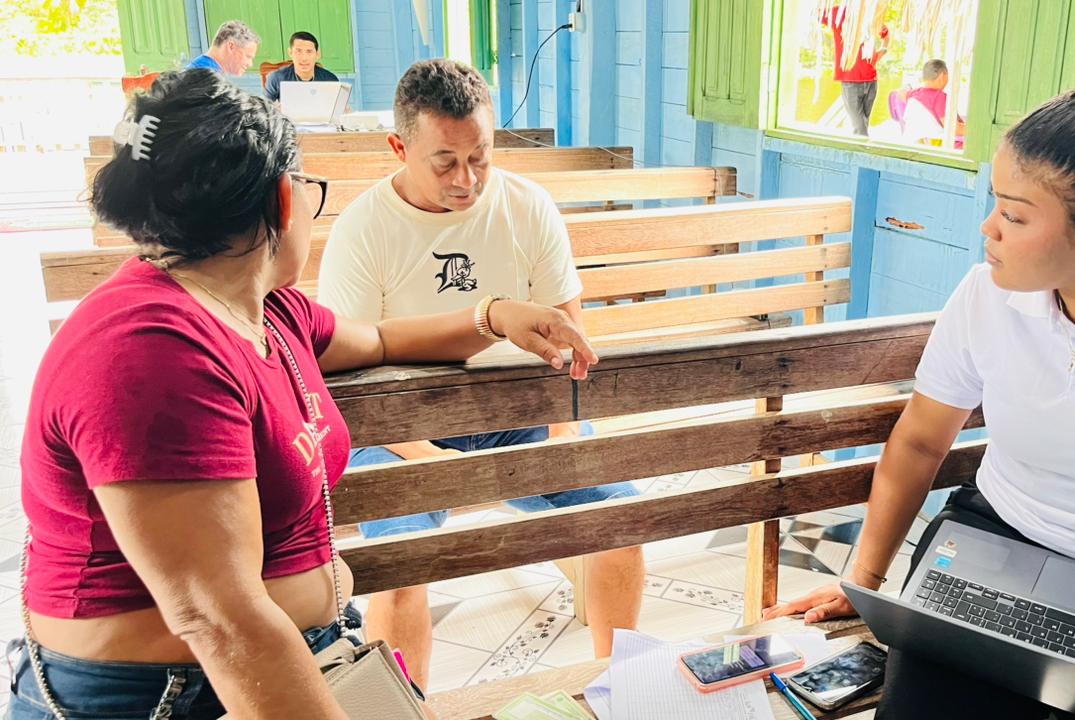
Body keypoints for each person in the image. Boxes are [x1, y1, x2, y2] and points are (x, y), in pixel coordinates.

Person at [9, 68, 596, 720]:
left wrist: (492, 314)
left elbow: (375, 338)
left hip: (288, 656)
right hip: (167, 696)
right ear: (286, 199)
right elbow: (221, 622)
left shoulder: (266, 308)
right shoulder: (149, 351)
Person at [764, 21, 1075, 720]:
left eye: (1012, 214)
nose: (989, 231)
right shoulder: (987, 298)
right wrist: (868, 578)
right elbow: (919, 440)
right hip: (995, 548)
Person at [317, 58, 645, 690]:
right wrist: (429, 458)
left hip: (515, 418)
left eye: (482, 157)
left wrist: (560, 437)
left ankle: (621, 686)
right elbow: (347, 388)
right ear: (399, 146)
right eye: (444, 161)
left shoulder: (527, 207)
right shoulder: (363, 230)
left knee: (621, 525)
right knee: (404, 567)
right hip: (396, 427)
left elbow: (569, 341)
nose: (466, 179)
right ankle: (405, 704)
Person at [820, 2, 889, 136]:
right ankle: (865, 152)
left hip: (871, 81)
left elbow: (885, 34)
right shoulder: (838, 13)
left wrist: (882, 52)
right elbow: (817, 13)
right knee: (860, 128)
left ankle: (859, 151)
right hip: (850, 81)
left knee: (863, 125)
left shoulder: (871, 13)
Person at [265, 31, 340, 102]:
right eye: (298, 51)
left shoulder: (330, 79)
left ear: (317, 54)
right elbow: (264, 111)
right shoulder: (276, 78)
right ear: (290, 52)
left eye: (309, 51)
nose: (304, 58)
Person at [187, 20, 259, 76]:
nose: (250, 64)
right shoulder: (208, 79)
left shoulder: (198, 68)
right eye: (248, 56)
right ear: (231, 46)